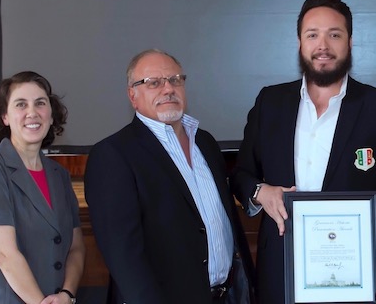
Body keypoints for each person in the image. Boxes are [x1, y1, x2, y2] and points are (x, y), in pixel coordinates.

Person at [229, 0, 376, 303]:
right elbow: (242, 175)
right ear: (300, 42)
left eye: (334, 35)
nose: (323, 46)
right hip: (281, 269)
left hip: (355, 274)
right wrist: (259, 190)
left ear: (351, 41)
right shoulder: (270, 103)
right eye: (312, 34)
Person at [84, 49, 255, 303]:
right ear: (133, 95)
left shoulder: (205, 143)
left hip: (228, 295)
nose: (168, 89)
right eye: (153, 83)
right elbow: (123, 255)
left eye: (175, 80)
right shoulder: (113, 155)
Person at [0, 71, 85, 304]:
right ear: (5, 117)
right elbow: (4, 255)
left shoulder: (59, 175)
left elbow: (76, 247)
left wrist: (67, 295)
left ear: (51, 116)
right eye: (21, 104)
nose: (32, 112)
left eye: (40, 103)